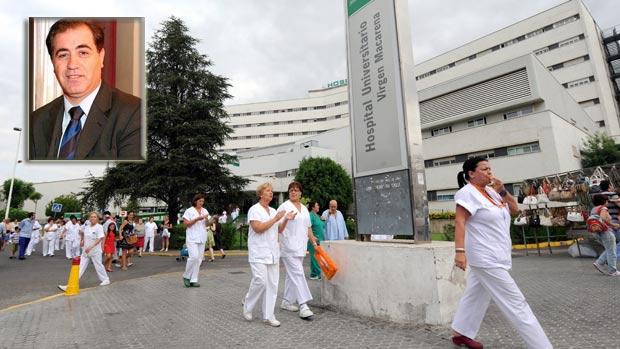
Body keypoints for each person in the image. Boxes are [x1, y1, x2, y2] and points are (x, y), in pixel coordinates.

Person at [451, 157, 552, 349]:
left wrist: (503, 190)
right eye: (484, 169)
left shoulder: (492, 191)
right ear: (471, 174)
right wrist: (460, 252)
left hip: (498, 253)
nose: (490, 172)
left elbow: (514, 209)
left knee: (475, 294)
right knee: (516, 303)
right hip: (485, 256)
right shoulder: (467, 193)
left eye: (490, 168)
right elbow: (460, 221)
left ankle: (460, 333)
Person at [29, 19, 142, 160]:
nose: (72, 64)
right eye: (63, 55)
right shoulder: (34, 122)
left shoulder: (136, 113)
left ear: (101, 58)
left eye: (83, 53)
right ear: (53, 63)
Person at [243, 183, 286, 327]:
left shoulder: (273, 211)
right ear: (260, 194)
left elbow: (278, 229)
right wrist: (276, 218)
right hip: (258, 252)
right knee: (260, 281)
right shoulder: (254, 210)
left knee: (272, 285)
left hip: (273, 252)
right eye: (268, 191)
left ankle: (268, 316)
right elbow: (258, 228)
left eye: (272, 191)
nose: (271, 193)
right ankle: (248, 304)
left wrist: (286, 219)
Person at [278, 181, 318, 320]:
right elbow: (278, 228)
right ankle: (303, 305)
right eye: (291, 190)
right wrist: (287, 219)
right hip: (288, 246)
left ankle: (287, 301)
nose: (293, 192)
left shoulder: (304, 209)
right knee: (298, 273)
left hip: (301, 247)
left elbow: (308, 228)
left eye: (296, 190)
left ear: (301, 193)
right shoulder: (284, 207)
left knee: (292, 275)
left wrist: (313, 242)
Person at [58, 212, 110, 291]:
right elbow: (83, 233)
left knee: (98, 266)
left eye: (95, 217)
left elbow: (99, 238)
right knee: (80, 267)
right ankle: (71, 284)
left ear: (97, 219)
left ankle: (106, 279)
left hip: (95, 251)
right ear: (89, 218)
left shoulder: (99, 227)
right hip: (85, 251)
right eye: (91, 217)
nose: (93, 218)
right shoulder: (87, 226)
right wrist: (82, 240)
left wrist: (91, 246)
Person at [182, 193, 209, 287]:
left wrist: (208, 220)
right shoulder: (189, 211)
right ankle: (186, 276)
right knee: (193, 257)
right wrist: (197, 219)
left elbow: (207, 224)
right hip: (192, 238)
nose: (201, 203)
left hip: (202, 237)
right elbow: (185, 224)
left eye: (203, 201)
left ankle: (194, 279)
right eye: (200, 201)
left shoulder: (205, 210)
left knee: (199, 259)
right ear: (195, 201)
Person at [591, 194, 620, 276]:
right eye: (607, 200)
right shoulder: (603, 208)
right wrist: (613, 225)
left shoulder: (594, 209)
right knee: (611, 251)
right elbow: (602, 219)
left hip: (597, 232)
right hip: (605, 231)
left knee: (610, 249)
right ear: (603, 201)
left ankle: (599, 263)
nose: (608, 202)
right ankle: (612, 270)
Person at [307, 201, 325, 280]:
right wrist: (313, 236)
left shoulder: (317, 216)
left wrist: (323, 220)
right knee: (314, 257)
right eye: (317, 205)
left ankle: (314, 274)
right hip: (313, 240)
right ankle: (316, 274)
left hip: (320, 240)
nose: (318, 207)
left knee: (318, 257)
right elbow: (308, 227)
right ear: (313, 207)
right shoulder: (310, 215)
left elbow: (321, 226)